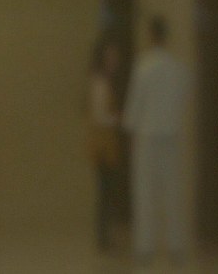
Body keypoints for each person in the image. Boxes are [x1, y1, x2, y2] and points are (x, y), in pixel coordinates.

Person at [122, 16, 192, 265]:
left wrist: (129, 128)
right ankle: (176, 246)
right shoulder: (179, 69)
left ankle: (145, 248)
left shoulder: (143, 66)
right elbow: (184, 99)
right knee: (172, 193)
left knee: (145, 193)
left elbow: (135, 103)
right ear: (167, 36)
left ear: (151, 35)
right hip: (170, 136)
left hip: (147, 137)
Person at [87, 32, 124, 253]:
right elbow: (100, 116)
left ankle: (104, 236)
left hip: (104, 145)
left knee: (106, 191)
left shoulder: (102, 81)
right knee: (105, 192)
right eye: (111, 55)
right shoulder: (100, 83)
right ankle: (103, 238)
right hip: (103, 145)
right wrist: (117, 118)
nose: (115, 59)